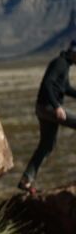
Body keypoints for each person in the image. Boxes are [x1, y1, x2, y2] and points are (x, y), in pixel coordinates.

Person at [18, 39, 76, 194]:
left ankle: (26, 180)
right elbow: (48, 83)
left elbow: (65, 88)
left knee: (47, 145)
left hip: (44, 108)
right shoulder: (60, 63)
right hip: (48, 108)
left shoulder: (64, 65)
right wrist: (57, 106)